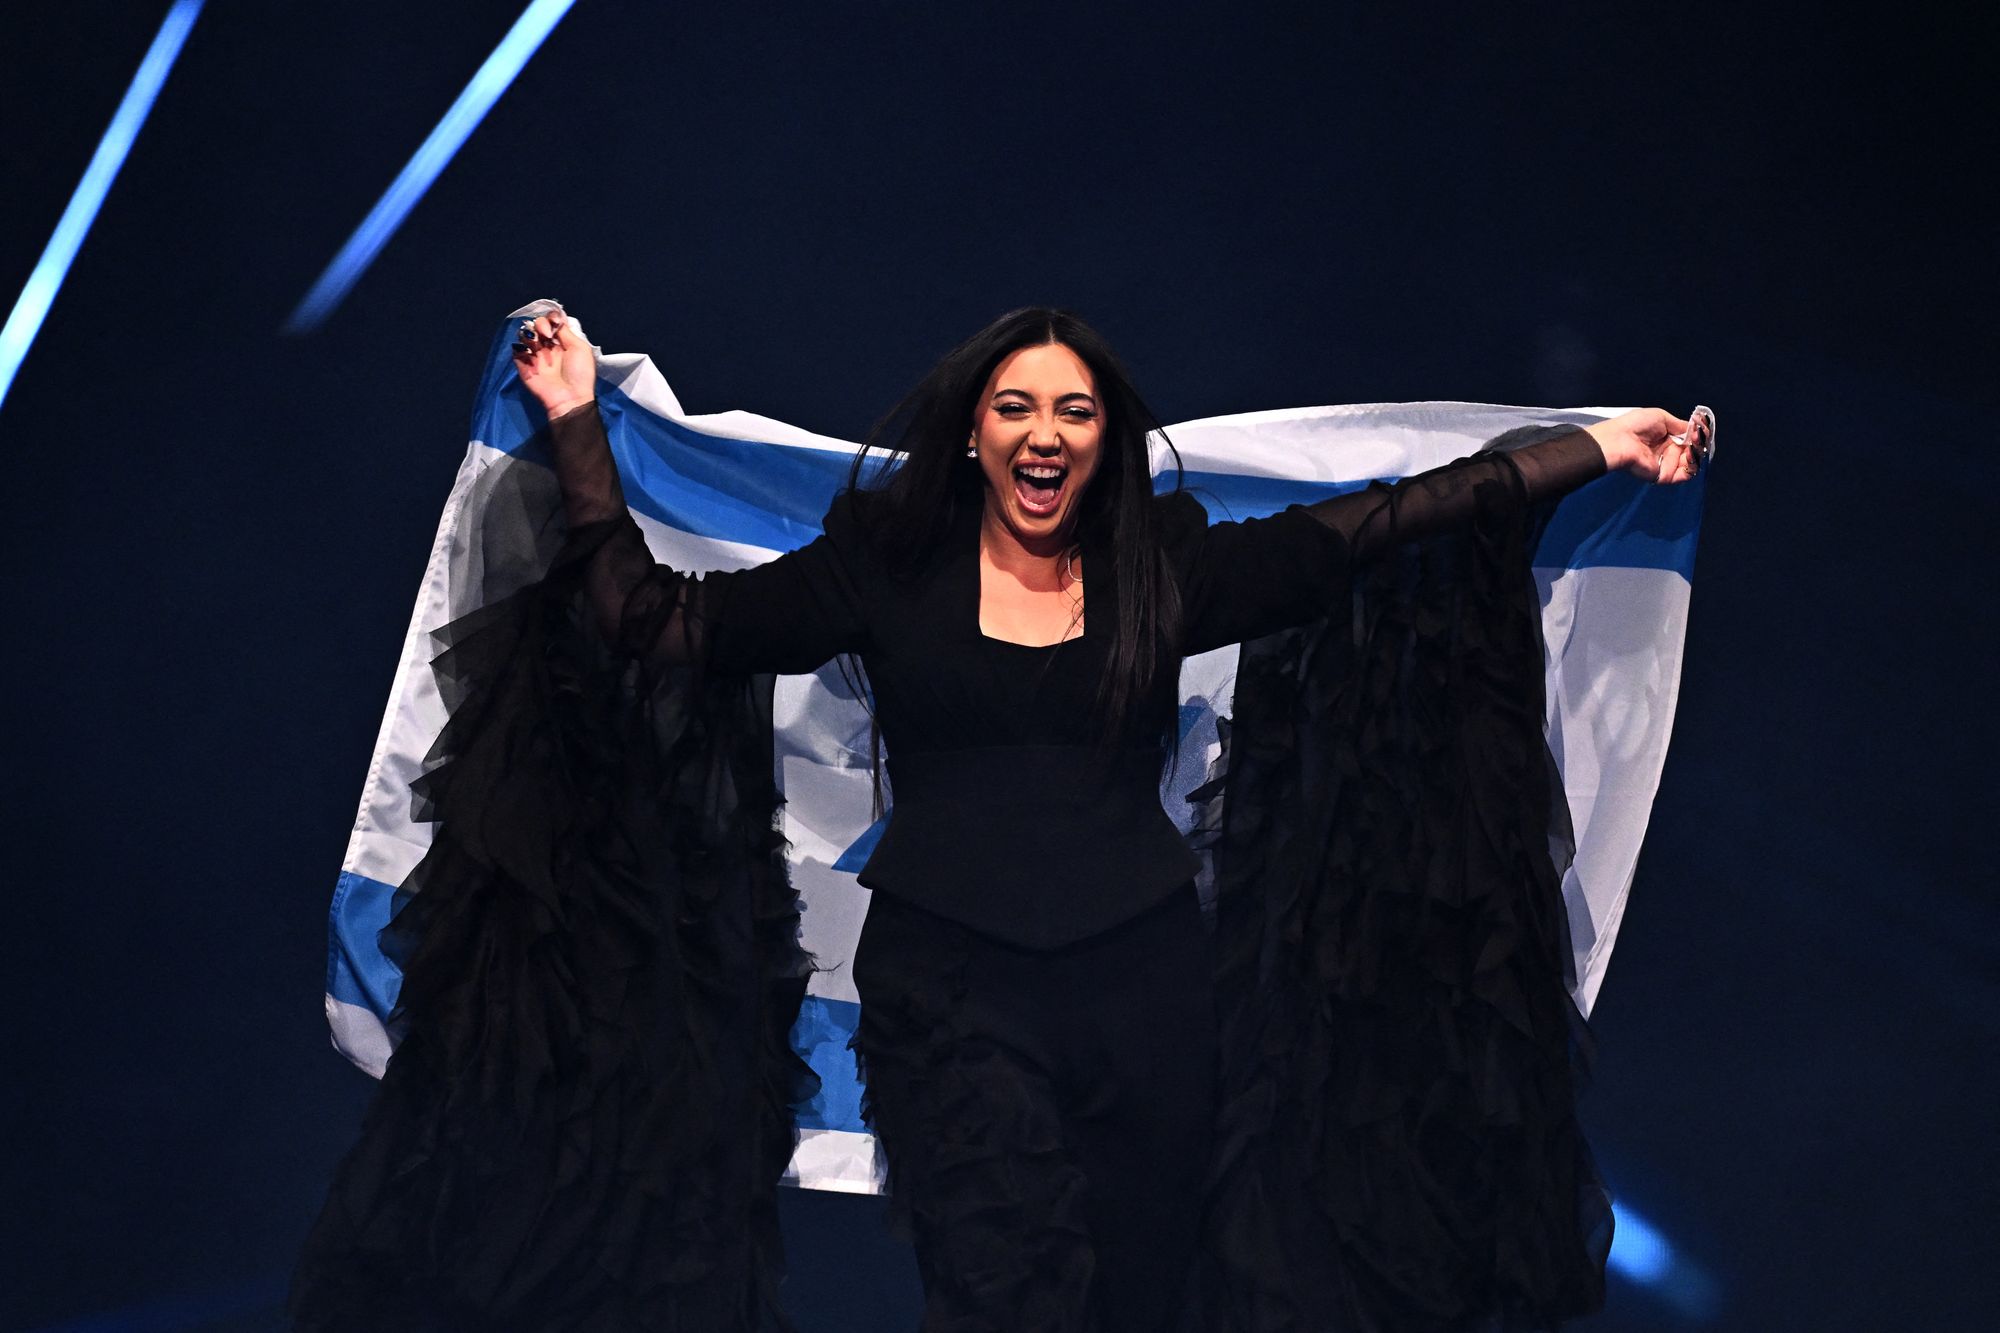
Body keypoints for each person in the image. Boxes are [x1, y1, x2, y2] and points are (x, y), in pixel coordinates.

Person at [293, 304, 1704, 1333]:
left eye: (1075, 411)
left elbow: (1396, 519)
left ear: (1106, 440)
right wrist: (578, 426)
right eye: (1019, 407)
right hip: (951, 992)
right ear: (975, 430)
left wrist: (1593, 444)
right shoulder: (882, 569)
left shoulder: (1170, 570)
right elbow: (655, 622)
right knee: (1009, 1290)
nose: (1046, 432)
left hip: (1148, 995)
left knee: (1143, 1302)